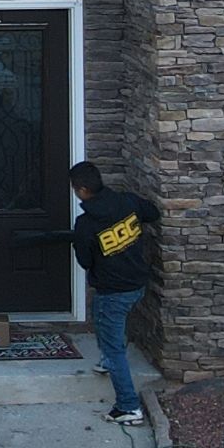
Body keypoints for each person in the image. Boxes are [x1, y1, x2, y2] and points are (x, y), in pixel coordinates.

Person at [62, 161, 162, 424]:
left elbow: (85, 261)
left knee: (113, 343)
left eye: (75, 189)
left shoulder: (85, 224)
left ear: (82, 189)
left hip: (112, 291)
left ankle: (129, 407)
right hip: (138, 284)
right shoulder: (127, 202)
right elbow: (152, 212)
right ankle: (107, 360)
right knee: (106, 324)